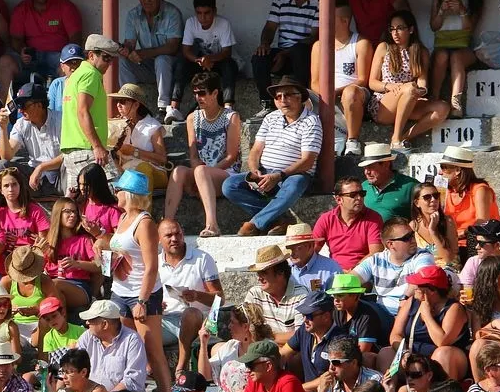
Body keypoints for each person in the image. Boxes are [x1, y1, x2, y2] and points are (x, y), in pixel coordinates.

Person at [223, 76, 322, 237]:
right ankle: (276, 220)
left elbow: (307, 161)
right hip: (265, 171)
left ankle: (256, 223)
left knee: (296, 183)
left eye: (288, 95)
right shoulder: (270, 118)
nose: (283, 100)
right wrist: (255, 170)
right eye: (278, 96)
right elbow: (255, 150)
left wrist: (279, 175)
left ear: (300, 97)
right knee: (229, 185)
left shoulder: (311, 121)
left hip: (292, 174)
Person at [108, 169, 172, 392]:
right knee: (125, 351)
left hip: (141, 294)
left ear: (129, 193)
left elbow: (151, 267)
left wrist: (142, 301)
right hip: (120, 290)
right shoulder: (124, 217)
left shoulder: (144, 223)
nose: (115, 192)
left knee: (154, 353)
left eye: (119, 189)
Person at [164, 71, 241, 233]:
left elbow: (231, 156)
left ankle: (212, 225)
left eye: (202, 93)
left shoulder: (231, 117)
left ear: (215, 93)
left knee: (200, 171)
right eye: (195, 93)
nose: (198, 97)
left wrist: (204, 173)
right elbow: (193, 155)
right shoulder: (192, 117)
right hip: (202, 172)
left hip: (225, 172)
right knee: (178, 171)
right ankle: (167, 223)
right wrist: (199, 176)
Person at [367, 11, 450, 153]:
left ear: (411, 29)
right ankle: (396, 139)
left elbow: (423, 83)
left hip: (410, 98)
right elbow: (372, 82)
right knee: (409, 88)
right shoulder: (384, 47)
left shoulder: (420, 51)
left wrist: (420, 91)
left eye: (400, 28)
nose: (395, 33)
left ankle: (405, 137)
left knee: (442, 108)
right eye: (392, 29)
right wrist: (392, 86)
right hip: (385, 103)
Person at [251, 0, 319, 119]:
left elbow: (314, 37)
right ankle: (267, 103)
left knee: (300, 50)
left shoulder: (320, 0)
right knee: (259, 57)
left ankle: (302, 101)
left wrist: (285, 54)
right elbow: (269, 27)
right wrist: (265, 44)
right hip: (283, 54)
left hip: (305, 56)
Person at [380, 265, 470, 381]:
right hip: (412, 354)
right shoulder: (411, 302)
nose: (414, 288)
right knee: (385, 353)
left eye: (418, 285)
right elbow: (395, 334)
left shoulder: (454, 308)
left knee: (443, 352)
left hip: (443, 358)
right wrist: (404, 353)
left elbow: (442, 341)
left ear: (431, 290)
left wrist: (427, 315)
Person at [310, 0, 374, 156]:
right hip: (326, 95)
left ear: (344, 21)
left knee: (350, 92)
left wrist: (337, 91)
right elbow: (314, 82)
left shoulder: (361, 43)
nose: (323, 23)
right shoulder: (319, 46)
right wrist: (327, 94)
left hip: (353, 93)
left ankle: (352, 140)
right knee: (298, 97)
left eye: (329, 19)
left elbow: (362, 79)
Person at [158, 219, 222, 373]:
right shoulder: (154, 262)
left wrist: (197, 295)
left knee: (191, 313)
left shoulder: (202, 258)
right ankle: (148, 368)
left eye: (177, 234)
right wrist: (154, 304)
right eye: (169, 235)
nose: (174, 239)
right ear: (159, 239)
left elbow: (220, 298)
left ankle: (181, 366)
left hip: (196, 321)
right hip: (164, 321)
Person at [167, 0, 238, 122]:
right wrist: (199, 60)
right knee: (181, 63)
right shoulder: (191, 23)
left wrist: (210, 59)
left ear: (214, 11)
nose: (203, 17)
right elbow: (186, 50)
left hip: (218, 63)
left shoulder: (223, 24)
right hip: (199, 63)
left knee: (230, 65)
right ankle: (174, 108)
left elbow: (227, 52)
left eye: (207, 13)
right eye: (199, 13)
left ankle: (228, 108)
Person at [118, 0, 182, 120]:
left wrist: (144, 53)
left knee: (162, 59)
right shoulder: (133, 15)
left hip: (171, 68)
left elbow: (172, 47)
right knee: (122, 61)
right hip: (148, 67)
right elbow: (130, 42)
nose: (146, 0)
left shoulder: (172, 13)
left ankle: (163, 108)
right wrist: (127, 50)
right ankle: (129, 104)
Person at [61, 34, 118, 194]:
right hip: (88, 149)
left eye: (111, 59)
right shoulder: (90, 74)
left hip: (71, 150)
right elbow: (82, 111)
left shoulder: (74, 76)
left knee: (76, 205)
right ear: (91, 55)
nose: (109, 63)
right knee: (117, 194)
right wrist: (97, 146)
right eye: (106, 57)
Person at [353, 216, 435, 326]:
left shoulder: (422, 255)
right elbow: (352, 279)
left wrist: (405, 298)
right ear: (390, 244)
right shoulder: (376, 260)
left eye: (412, 234)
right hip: (382, 315)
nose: (413, 239)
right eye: (407, 238)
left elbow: (422, 277)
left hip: (410, 315)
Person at [428, 0, 484, 117]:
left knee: (456, 56)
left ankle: (455, 102)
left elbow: (470, 28)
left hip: (464, 47)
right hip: (442, 45)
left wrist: (462, 10)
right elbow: (434, 26)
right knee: (442, 55)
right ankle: (434, 97)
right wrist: (441, 11)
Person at [10, 0, 83, 81]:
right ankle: (2, 100)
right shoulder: (21, 9)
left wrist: (67, 57)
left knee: (70, 67)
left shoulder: (65, 6)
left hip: (58, 56)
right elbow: (15, 39)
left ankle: (67, 100)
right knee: (5, 62)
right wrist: (22, 51)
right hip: (31, 57)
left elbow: (76, 38)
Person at [198, 303, 274, 392]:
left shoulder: (266, 348)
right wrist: (203, 343)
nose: (229, 326)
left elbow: (269, 383)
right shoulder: (231, 346)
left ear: (245, 326)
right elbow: (204, 376)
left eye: (232, 322)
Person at [0, 82, 63, 198]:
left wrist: (42, 167)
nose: (20, 110)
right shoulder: (21, 124)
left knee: (71, 163)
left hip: (60, 176)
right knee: (1, 165)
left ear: (39, 105)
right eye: (18, 105)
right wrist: (2, 128)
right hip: (33, 178)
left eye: (23, 105)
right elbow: (6, 156)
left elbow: (67, 155)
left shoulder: (61, 120)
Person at [312, 177, 384, 271]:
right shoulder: (326, 219)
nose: (359, 198)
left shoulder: (373, 218)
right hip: (334, 273)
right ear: (338, 200)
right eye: (353, 195)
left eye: (362, 194)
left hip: (364, 273)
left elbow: (375, 253)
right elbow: (312, 251)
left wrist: (354, 270)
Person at [440, 147, 500, 258]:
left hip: (478, 244)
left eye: (444, 168)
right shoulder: (447, 191)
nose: (440, 172)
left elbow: (482, 222)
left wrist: (459, 234)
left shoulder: (480, 190)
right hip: (454, 244)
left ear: (457, 170)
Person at [243, 244, 309, 344]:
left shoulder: (301, 296)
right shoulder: (254, 293)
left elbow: (301, 336)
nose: (259, 278)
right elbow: (244, 329)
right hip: (261, 350)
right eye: (258, 273)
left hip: (290, 352)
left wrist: (263, 336)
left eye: (263, 272)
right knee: (217, 348)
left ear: (280, 273)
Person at [109, 83, 169, 192]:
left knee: (140, 171)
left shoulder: (152, 125)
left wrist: (134, 151)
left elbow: (162, 159)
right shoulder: (117, 126)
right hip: (126, 172)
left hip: (152, 171)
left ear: (136, 105)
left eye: (122, 101)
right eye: (117, 101)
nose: (118, 105)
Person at [282, 291, 346, 391]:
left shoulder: (340, 339)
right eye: (303, 315)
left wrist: (295, 389)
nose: (304, 320)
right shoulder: (304, 330)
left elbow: (329, 378)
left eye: (309, 316)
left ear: (326, 316)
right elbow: (282, 355)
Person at [43, 198, 100, 310]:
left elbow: (100, 265)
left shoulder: (84, 239)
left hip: (79, 285)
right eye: (67, 211)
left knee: (55, 285)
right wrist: (38, 253)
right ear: (58, 214)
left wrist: (77, 264)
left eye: (74, 212)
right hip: (53, 282)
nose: (72, 215)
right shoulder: (49, 242)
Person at [1, 246, 61, 344]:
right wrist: (8, 310)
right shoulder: (6, 282)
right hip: (13, 325)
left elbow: (56, 307)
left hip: (39, 325)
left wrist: (37, 311)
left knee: (44, 323)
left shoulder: (44, 281)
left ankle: (42, 358)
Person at [326, 274, 384, 356]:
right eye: (334, 295)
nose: (336, 300)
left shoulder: (367, 316)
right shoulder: (336, 311)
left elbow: (362, 352)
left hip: (365, 361)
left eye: (340, 295)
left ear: (355, 296)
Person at [358, 143, 418, 222]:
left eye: (371, 166)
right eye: (365, 168)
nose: (367, 172)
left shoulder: (411, 186)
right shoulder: (363, 187)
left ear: (386, 165)